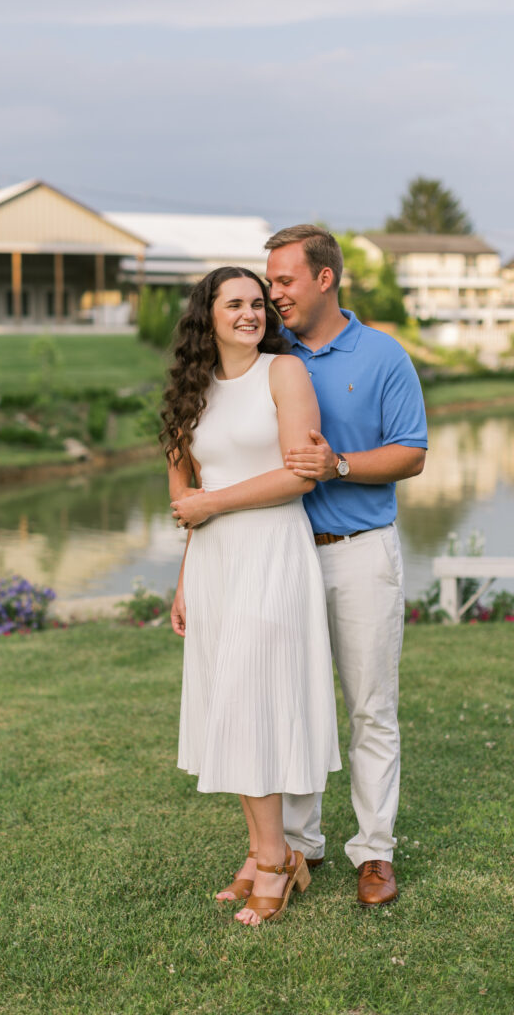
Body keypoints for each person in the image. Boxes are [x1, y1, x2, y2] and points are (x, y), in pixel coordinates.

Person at [171, 227, 427, 907]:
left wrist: (338, 464)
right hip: (275, 558)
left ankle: (373, 851)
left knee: (369, 707)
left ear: (323, 279)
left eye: (281, 282)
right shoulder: (270, 357)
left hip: (356, 551)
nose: (272, 295)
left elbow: (411, 454)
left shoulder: (381, 356)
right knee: (288, 699)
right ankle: (296, 843)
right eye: (264, 284)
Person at [162, 266, 341, 926]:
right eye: (234, 303)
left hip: (271, 552)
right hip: (215, 563)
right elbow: (185, 503)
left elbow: (297, 475)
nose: (250, 312)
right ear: (205, 317)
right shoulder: (192, 392)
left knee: (251, 700)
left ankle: (273, 859)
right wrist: (184, 579)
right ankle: (267, 851)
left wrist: (214, 502)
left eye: (257, 302)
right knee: (229, 704)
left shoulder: (283, 374)